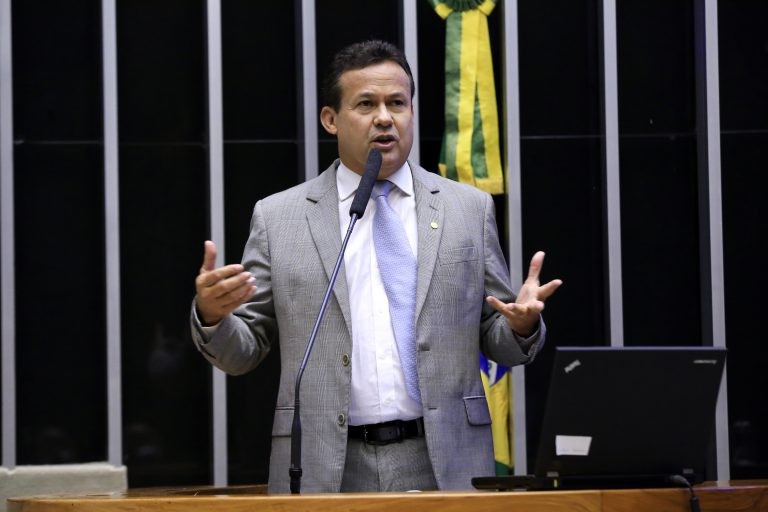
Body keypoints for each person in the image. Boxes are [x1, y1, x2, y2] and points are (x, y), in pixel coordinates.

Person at [191, 40, 561, 493]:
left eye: (397, 103)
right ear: (331, 119)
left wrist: (521, 327)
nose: (384, 117)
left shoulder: (468, 209)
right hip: (326, 466)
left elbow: (497, 338)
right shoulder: (278, 218)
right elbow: (243, 351)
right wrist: (212, 316)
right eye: (366, 104)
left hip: (445, 459)